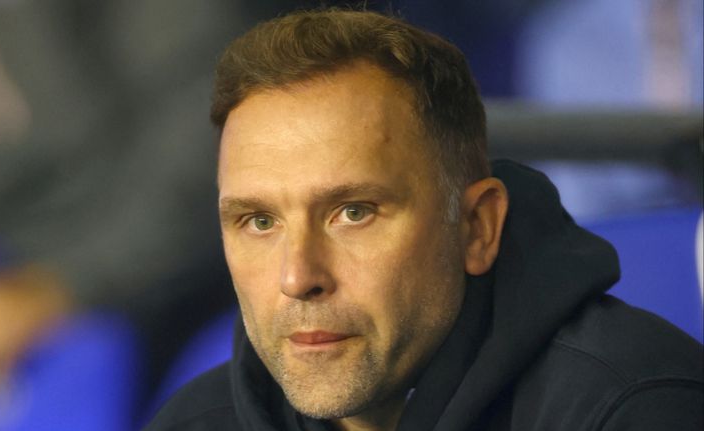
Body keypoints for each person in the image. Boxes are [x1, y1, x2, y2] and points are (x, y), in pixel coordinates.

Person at [146, 9, 703, 431]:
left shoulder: (630, 408)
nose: (297, 277)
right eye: (259, 222)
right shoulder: (196, 421)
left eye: (353, 213)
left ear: (478, 227)